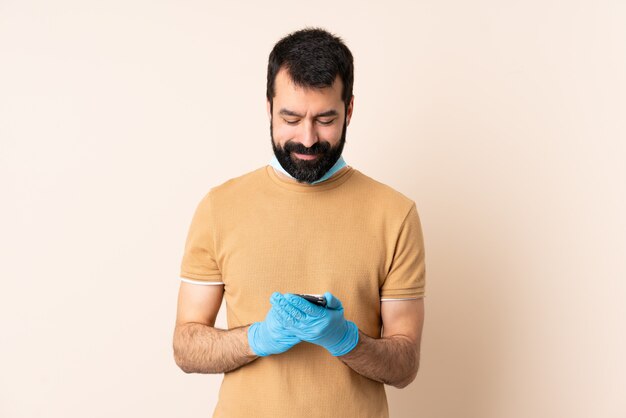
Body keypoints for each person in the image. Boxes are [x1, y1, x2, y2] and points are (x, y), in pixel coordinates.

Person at [173, 27, 426, 418]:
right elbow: (186, 347)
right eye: (290, 118)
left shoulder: (395, 215)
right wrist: (259, 338)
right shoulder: (219, 207)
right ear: (269, 107)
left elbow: (405, 364)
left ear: (350, 110)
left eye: (325, 119)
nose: (307, 139)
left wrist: (344, 339)